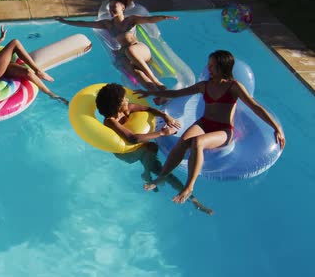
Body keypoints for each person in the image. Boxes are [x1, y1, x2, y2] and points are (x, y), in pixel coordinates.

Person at [135, 50, 286, 204]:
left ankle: (189, 187)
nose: (208, 69)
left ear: (222, 68)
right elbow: (177, 93)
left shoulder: (233, 87)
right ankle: (161, 177)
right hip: (204, 123)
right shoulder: (205, 85)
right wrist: (149, 92)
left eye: (212, 66)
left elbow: (255, 107)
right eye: (209, 65)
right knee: (183, 141)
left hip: (223, 130)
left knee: (198, 142)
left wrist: (276, 128)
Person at [97, 84, 213, 214]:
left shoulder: (127, 108)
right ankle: (192, 199)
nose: (128, 100)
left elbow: (148, 108)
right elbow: (132, 139)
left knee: (153, 150)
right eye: (124, 99)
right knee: (161, 170)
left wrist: (164, 116)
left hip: (141, 146)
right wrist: (162, 133)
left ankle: (147, 174)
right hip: (127, 153)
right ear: (117, 105)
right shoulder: (111, 121)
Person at [56, 0, 178, 105]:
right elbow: (84, 23)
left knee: (130, 50)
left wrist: (164, 17)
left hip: (139, 49)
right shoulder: (107, 24)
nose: (111, 10)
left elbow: (149, 20)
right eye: (110, 8)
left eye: (114, 7)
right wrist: (65, 21)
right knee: (136, 73)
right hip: (125, 54)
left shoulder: (131, 20)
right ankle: (159, 94)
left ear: (123, 7)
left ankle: (158, 83)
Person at [116, 143, 214, 215]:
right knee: (154, 155)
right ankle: (149, 178)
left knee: (163, 173)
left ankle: (150, 178)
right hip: (136, 152)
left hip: (138, 152)